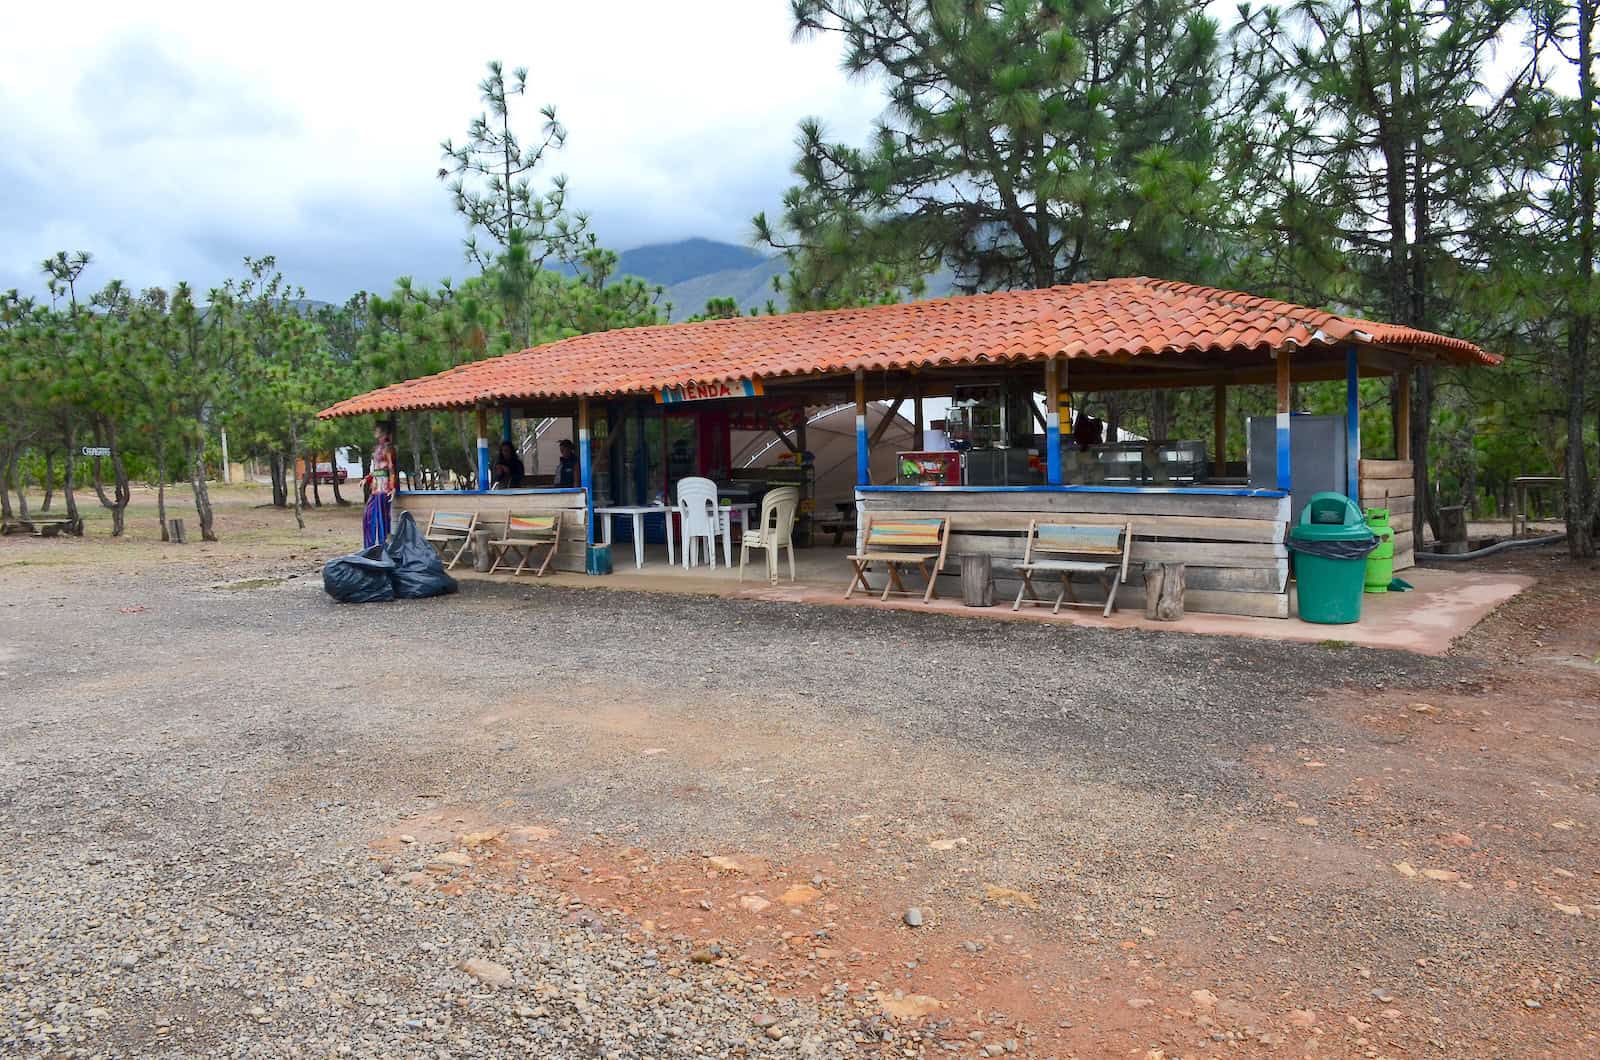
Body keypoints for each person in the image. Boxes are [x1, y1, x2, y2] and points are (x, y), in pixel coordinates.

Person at [362, 425, 397, 549]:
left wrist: (392, 487)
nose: (375, 432)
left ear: (383, 433)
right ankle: (369, 547)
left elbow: (391, 468)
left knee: (382, 519)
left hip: (384, 488)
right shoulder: (377, 448)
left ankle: (383, 547)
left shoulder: (388, 448)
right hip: (375, 488)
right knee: (368, 516)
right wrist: (367, 478)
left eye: (377, 430)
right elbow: (376, 468)